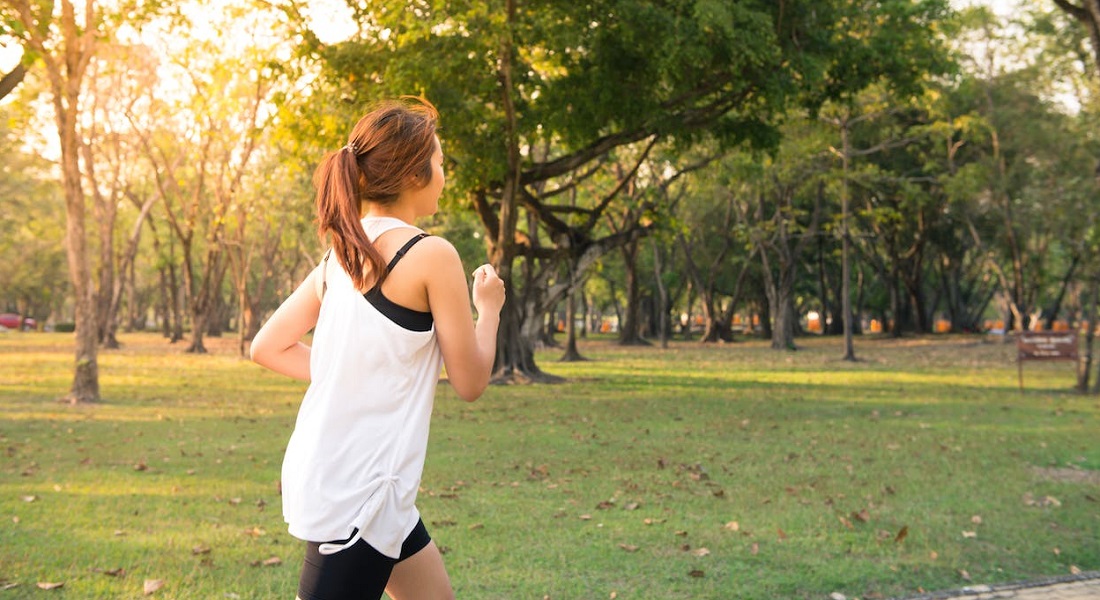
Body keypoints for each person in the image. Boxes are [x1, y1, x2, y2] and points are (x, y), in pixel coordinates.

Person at [250, 97, 504, 600]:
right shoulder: (431, 254)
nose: (443, 174)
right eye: (439, 163)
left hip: (366, 487)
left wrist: (351, 373)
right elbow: (471, 381)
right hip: (358, 497)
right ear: (414, 174)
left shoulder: (340, 255)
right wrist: (489, 309)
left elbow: (268, 347)